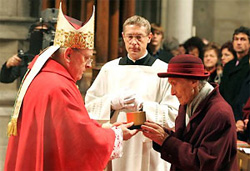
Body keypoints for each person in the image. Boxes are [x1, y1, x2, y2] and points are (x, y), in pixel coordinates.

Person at [4, 3, 138, 170]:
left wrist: (102, 128)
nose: (89, 65)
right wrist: (115, 135)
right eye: (87, 58)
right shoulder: (58, 87)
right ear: (68, 55)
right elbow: (79, 142)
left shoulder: (43, 76)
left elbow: (69, 128)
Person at [85, 15, 179, 171]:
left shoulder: (163, 70)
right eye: (129, 37)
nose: (134, 42)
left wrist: (144, 106)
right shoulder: (109, 69)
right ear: (123, 37)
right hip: (117, 142)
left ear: (149, 38)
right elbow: (88, 108)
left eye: (139, 37)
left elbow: (174, 114)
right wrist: (111, 103)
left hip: (148, 146)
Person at [141, 54, 238, 170]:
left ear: (193, 82)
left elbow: (204, 163)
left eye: (174, 84)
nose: (172, 92)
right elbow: (184, 142)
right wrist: (158, 133)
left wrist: (165, 140)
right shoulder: (187, 102)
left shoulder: (220, 113)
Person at [219, 26, 250, 140]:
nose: (238, 42)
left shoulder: (248, 64)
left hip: (239, 115)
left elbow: (244, 94)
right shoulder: (229, 65)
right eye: (236, 39)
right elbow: (222, 91)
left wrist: (238, 117)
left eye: (243, 39)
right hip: (225, 112)